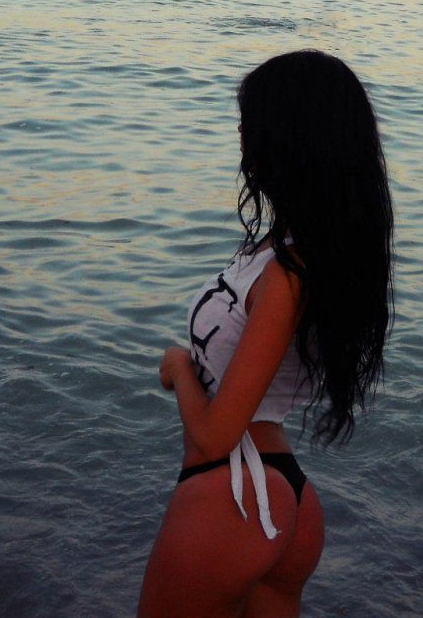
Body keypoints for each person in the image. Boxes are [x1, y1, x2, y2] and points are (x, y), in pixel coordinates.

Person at [137, 50, 394, 618]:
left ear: (287, 136)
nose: (240, 134)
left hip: (231, 497)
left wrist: (178, 366)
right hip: (287, 500)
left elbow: (214, 437)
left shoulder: (286, 275)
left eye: (249, 120)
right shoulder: (301, 252)